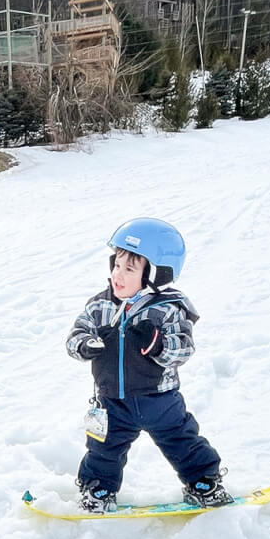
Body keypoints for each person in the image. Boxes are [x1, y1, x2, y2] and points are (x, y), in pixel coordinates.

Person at [66, 217, 230, 513]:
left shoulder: (168, 308)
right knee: (103, 450)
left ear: (156, 274)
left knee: (182, 440)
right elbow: (75, 336)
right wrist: (84, 344)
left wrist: (159, 345)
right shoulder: (99, 306)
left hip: (160, 401)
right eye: (116, 264)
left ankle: (204, 482)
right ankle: (98, 490)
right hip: (112, 401)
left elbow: (184, 348)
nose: (118, 274)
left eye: (130, 269)